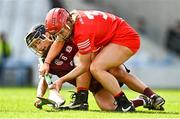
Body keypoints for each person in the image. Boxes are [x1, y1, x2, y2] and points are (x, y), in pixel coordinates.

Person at [39, 8, 165, 111]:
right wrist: (47, 63)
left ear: (68, 22)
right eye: (57, 34)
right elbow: (60, 40)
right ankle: (150, 97)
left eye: (61, 32)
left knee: (96, 68)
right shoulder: (72, 18)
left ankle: (124, 103)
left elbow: (84, 66)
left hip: (124, 38)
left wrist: (61, 80)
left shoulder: (81, 33)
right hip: (114, 38)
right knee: (111, 91)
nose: (60, 36)